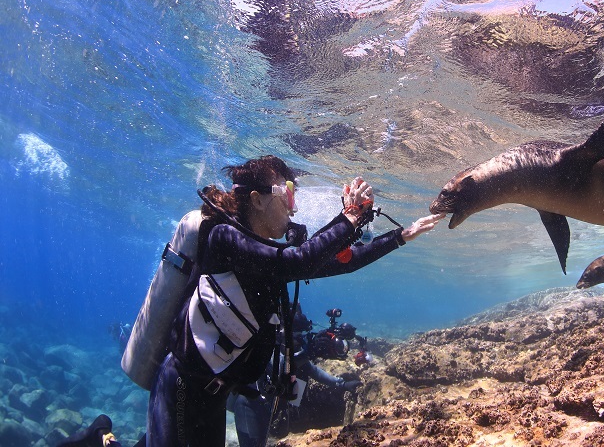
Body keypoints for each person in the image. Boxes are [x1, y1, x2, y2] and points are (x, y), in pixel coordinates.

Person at [147, 155, 443, 446]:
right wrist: (350, 216)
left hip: (214, 393)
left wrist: (400, 236)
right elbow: (299, 260)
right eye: (286, 195)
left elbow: (341, 262)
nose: (293, 208)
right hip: (184, 387)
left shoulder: (265, 255)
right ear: (257, 199)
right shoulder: (224, 238)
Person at [229, 305, 360, 446]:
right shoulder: (268, 339)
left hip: (270, 404)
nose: (296, 337)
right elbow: (277, 366)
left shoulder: (295, 344)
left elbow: (312, 370)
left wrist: (342, 384)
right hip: (249, 404)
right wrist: (309, 352)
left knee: (265, 440)